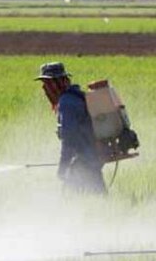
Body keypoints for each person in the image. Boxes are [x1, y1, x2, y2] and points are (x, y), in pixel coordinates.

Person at [35, 62, 107, 194]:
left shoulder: (67, 103)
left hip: (83, 162)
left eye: (49, 83)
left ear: (60, 81)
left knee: (72, 200)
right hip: (92, 158)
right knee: (98, 198)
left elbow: (69, 139)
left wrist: (63, 167)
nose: (46, 88)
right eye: (45, 83)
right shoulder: (76, 96)